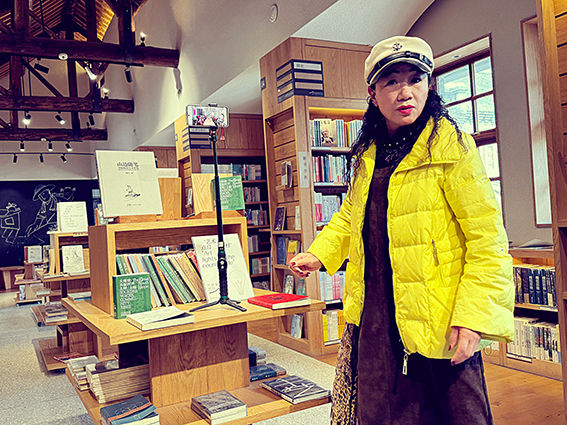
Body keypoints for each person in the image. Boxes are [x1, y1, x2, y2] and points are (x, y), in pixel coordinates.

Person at [288, 36, 514, 425]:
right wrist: (319, 253)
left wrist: (475, 317)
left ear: (429, 85)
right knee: (381, 414)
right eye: (391, 81)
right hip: (377, 319)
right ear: (373, 94)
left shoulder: (452, 147)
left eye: (415, 78)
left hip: (440, 316)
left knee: (456, 415)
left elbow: (487, 239)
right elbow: (351, 215)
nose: (405, 92)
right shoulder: (369, 153)